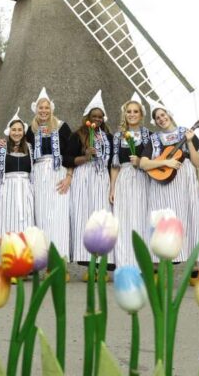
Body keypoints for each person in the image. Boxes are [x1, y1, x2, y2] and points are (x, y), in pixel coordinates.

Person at [140, 106, 199, 277]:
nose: (161, 119)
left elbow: (197, 163)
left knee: (187, 216)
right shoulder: (154, 139)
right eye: (157, 117)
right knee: (161, 219)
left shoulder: (186, 132)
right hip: (161, 184)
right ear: (155, 121)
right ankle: (156, 267)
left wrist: (189, 141)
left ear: (169, 115)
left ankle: (193, 266)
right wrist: (165, 163)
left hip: (185, 180)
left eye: (163, 115)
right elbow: (144, 164)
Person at [65, 90, 114, 278]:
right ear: (88, 117)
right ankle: (89, 267)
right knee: (85, 219)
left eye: (100, 116)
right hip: (84, 179)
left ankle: (103, 265)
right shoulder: (77, 135)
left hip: (102, 179)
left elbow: (112, 163)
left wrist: (112, 184)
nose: (97, 119)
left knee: (102, 220)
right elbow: (67, 159)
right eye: (94, 116)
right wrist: (84, 157)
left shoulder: (109, 137)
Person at [25, 88, 74, 259]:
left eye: (46, 108)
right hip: (38, 174)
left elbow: (71, 153)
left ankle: (60, 260)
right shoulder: (30, 130)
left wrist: (69, 177)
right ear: (35, 110)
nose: (43, 111)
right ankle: (43, 259)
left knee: (59, 217)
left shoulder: (62, 127)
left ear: (51, 109)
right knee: (41, 216)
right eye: (41, 108)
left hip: (58, 173)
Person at [109, 93, 152, 267]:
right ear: (124, 114)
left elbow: (154, 160)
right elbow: (115, 165)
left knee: (141, 218)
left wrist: (141, 162)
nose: (132, 114)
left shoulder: (149, 135)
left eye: (135, 111)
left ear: (141, 115)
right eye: (129, 111)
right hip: (124, 179)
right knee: (123, 219)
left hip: (143, 179)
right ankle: (124, 263)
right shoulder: (118, 136)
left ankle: (142, 263)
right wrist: (112, 188)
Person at [0, 109, 34, 236]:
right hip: (7, 189)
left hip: (25, 189)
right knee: (6, 219)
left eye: (19, 130)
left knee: (26, 221)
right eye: (14, 130)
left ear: (23, 132)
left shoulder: (30, 148)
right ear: (9, 131)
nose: (16, 133)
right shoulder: (1, 147)